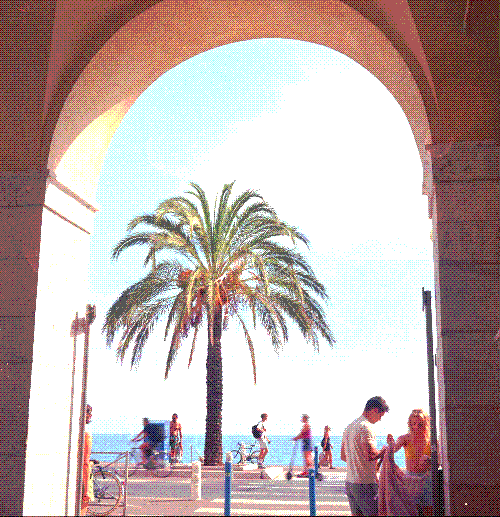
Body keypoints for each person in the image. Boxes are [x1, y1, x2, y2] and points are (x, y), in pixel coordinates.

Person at [341, 396, 390, 516]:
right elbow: (370, 454)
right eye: (380, 416)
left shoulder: (349, 427)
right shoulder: (366, 427)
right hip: (365, 484)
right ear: (374, 410)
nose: (379, 420)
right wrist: (385, 450)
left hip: (350, 483)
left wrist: (357, 460)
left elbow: (343, 456)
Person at [387, 409, 435, 516]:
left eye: (420, 424)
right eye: (413, 423)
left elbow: (439, 460)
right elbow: (393, 450)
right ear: (410, 424)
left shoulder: (432, 440)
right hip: (411, 480)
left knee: (429, 510)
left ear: (426, 423)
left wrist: (429, 460)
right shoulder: (405, 438)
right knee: (412, 510)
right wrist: (391, 444)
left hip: (427, 478)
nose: (416, 427)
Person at [81, 404, 93, 515]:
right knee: (82, 509)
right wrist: (86, 491)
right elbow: (85, 462)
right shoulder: (86, 435)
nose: (91, 415)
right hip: (82, 478)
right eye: (89, 412)